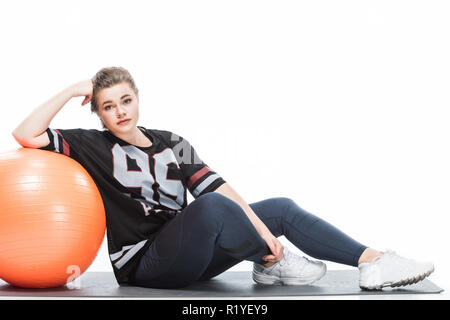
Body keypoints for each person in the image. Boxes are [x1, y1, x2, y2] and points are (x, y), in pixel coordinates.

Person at [12, 66, 435, 290]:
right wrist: (71, 90)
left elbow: (218, 187)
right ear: (98, 113)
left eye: (126, 100)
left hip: (193, 251)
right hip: (145, 263)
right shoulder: (94, 145)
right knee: (213, 208)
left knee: (279, 209)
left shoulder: (171, 141)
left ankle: (374, 263)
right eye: (108, 106)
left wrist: (260, 229)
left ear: (138, 99)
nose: (120, 111)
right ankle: (273, 260)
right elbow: (25, 133)